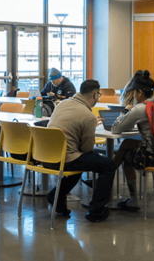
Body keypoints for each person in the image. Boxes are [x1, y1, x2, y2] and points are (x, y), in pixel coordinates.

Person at [46, 79, 116, 223]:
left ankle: (56, 196)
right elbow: (87, 149)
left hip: (46, 155)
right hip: (65, 159)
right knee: (108, 165)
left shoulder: (62, 104)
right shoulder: (88, 115)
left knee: (80, 161)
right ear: (95, 94)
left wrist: (89, 124)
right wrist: (90, 125)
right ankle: (96, 210)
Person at [112, 70, 154, 212]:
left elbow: (116, 129)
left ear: (139, 92)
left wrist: (124, 111)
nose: (134, 95)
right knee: (127, 144)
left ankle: (133, 200)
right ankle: (108, 177)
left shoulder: (140, 108)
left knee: (126, 156)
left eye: (134, 92)